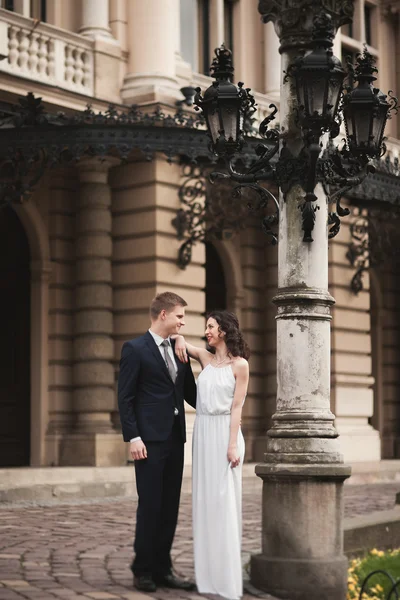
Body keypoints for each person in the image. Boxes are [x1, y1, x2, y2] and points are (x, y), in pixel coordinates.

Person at [117, 291, 197, 593]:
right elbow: (125, 398)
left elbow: (192, 394)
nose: (183, 322)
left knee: (169, 506)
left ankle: (163, 568)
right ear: (163, 314)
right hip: (148, 441)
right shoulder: (134, 349)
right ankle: (143, 570)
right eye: (179, 316)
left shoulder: (180, 350)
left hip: (176, 438)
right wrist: (133, 437)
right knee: (150, 505)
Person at [174, 310, 250, 600]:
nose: (206, 331)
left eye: (210, 326)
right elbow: (182, 343)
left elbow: (237, 408)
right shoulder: (206, 360)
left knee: (223, 504)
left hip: (224, 434)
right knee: (205, 503)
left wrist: (232, 445)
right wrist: (180, 337)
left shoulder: (240, 365)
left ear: (224, 331)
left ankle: (226, 580)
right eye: (206, 326)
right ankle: (207, 577)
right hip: (202, 433)